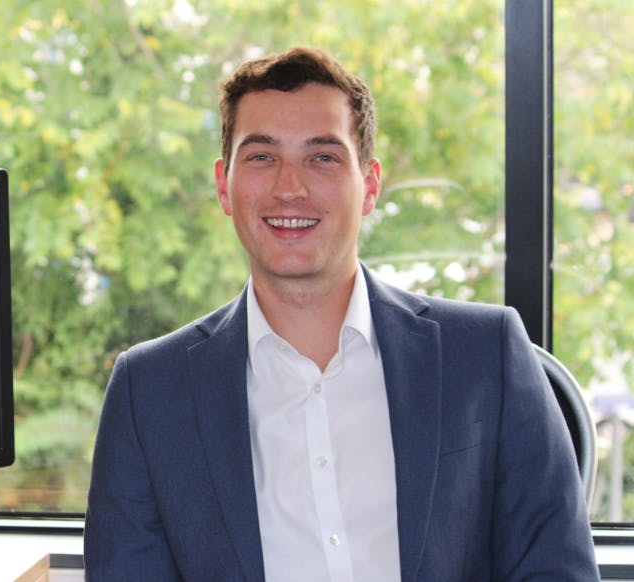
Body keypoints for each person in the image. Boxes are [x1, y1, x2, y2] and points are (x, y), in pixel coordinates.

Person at [84, 47, 599, 581]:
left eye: (323, 157)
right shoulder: (150, 393)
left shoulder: (487, 354)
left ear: (370, 185)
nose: (289, 187)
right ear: (223, 185)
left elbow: (556, 570)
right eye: (261, 157)